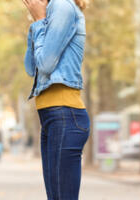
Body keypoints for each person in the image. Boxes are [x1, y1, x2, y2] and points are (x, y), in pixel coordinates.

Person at [22, 0, 90, 199]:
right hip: (52, 117)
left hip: (65, 115)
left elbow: (45, 65)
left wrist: (40, 21)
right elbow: (30, 67)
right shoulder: (49, 11)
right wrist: (37, 22)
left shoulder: (62, 6)